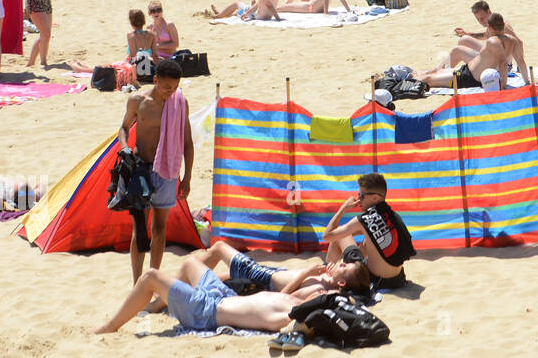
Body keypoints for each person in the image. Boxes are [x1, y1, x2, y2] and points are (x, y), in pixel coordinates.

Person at [93, 242, 367, 335]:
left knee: (150, 276)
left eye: (343, 267)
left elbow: (344, 305)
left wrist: (329, 289)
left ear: (339, 288)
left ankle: (110, 326)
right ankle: (157, 305)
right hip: (225, 297)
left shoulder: (308, 303)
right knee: (190, 264)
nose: (337, 263)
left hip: (206, 311)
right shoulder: (310, 295)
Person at [116, 59, 193, 283]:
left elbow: (187, 141)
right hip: (140, 170)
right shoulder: (137, 101)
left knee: (159, 229)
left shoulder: (180, 102)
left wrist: (187, 178)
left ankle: (152, 279)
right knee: (139, 231)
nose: (171, 92)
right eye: (167, 87)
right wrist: (125, 147)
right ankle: (136, 282)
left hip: (167, 171)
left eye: (175, 88)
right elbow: (123, 128)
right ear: (156, 80)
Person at [321, 173, 415, 288]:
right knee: (368, 238)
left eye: (361, 195)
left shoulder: (364, 220)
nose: (358, 200)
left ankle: (324, 272)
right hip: (397, 280)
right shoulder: (393, 216)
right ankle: (347, 264)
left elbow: (327, 236)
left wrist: (344, 208)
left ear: (375, 197)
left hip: (375, 280)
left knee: (340, 235)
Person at [417, 13, 520, 92]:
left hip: (468, 77)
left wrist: (503, 85)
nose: (481, 21)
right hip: (466, 71)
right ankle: (424, 73)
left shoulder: (494, 41)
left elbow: (503, 63)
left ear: (490, 27)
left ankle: (408, 80)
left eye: (482, 18)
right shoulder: (506, 38)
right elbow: (519, 60)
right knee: (433, 74)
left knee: (428, 78)